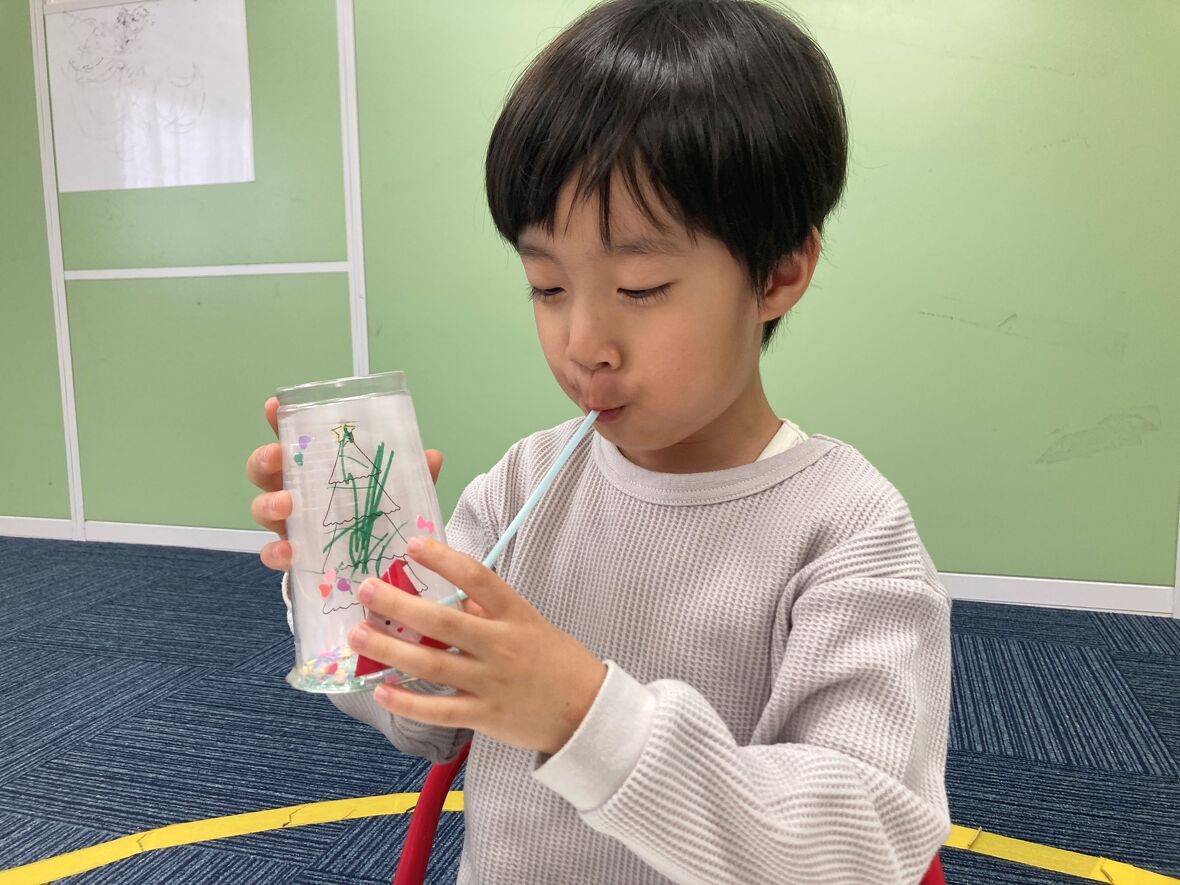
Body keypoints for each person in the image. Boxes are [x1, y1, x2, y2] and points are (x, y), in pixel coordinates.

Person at [247, 1, 951, 881]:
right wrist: (357, 591)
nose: (583, 343)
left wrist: (585, 716)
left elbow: (866, 843)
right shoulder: (522, 484)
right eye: (546, 286)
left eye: (642, 287)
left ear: (778, 272)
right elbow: (420, 714)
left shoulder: (849, 532)